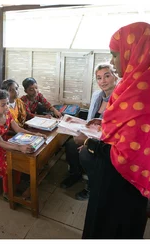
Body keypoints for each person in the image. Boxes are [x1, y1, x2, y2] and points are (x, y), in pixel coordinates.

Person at [74, 22, 150, 238]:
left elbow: (125, 155)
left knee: (108, 228)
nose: (113, 62)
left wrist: (89, 143)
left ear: (134, 52)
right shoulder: (147, 85)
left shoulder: (140, 94)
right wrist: (102, 125)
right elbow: (127, 130)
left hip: (120, 184)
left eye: (115, 55)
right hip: (130, 180)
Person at [60, 63, 118, 201]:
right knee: (70, 145)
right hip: (92, 133)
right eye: (99, 78)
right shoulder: (96, 95)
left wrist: (89, 142)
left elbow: (114, 128)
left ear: (115, 76)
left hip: (106, 140)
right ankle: (75, 174)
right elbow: (90, 120)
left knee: (87, 154)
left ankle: (92, 187)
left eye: (107, 76)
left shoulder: (120, 99)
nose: (102, 81)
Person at [0, 89, 46, 200]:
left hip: (4, 141)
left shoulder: (7, 113)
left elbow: (18, 129)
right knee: (9, 161)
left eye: (7, 103)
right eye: (3, 105)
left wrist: (35, 134)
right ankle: (7, 192)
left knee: (18, 157)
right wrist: (19, 147)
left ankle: (15, 183)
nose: (7, 107)